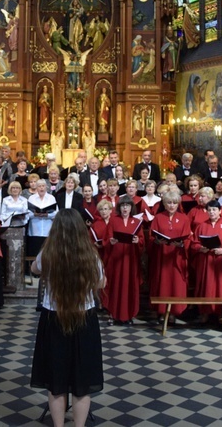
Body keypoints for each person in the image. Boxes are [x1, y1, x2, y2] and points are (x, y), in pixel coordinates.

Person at [30, 209, 105, 427]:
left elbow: (35, 269)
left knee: (56, 381)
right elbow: (101, 283)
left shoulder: (49, 253)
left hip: (54, 318)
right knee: (82, 382)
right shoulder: (89, 254)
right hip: (84, 319)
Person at [190, 200, 222, 324]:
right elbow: (194, 243)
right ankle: (205, 312)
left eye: (214, 209)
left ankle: (221, 313)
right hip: (206, 260)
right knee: (205, 285)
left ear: (220, 211)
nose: (212, 212)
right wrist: (201, 248)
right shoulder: (202, 226)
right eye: (209, 209)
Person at [149, 191, 191, 322]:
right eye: (169, 203)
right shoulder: (158, 217)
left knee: (176, 283)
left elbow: (188, 238)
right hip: (162, 256)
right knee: (163, 283)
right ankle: (161, 311)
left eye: (174, 203)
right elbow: (151, 236)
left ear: (178, 204)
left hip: (177, 256)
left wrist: (182, 243)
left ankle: (174, 311)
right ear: (164, 204)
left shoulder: (184, 218)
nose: (172, 205)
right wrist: (156, 241)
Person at [103, 195, 144, 325]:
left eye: (127, 205)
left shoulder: (137, 222)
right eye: (122, 205)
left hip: (130, 259)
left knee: (129, 285)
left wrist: (138, 241)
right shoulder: (113, 221)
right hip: (116, 259)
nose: (125, 208)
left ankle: (128, 315)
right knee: (115, 285)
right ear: (119, 207)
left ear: (131, 208)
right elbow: (107, 238)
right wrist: (112, 241)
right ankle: (113, 314)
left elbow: (142, 240)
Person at [27, 180, 58, 256]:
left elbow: (56, 213)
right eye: (39, 186)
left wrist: (46, 215)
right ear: (36, 188)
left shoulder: (51, 198)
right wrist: (35, 214)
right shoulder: (31, 198)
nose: (41, 188)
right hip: (34, 230)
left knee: (47, 254)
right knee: (34, 254)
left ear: (46, 187)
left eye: (43, 186)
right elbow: (27, 213)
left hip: (47, 231)